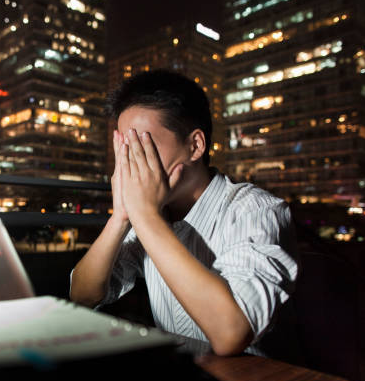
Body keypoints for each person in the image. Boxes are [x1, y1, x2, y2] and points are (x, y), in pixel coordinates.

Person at [69, 70, 298, 356]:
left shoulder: (254, 210)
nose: (133, 161)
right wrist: (121, 218)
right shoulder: (152, 214)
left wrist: (146, 215)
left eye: (145, 146)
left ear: (195, 146)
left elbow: (231, 334)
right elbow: (82, 296)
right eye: (127, 148)